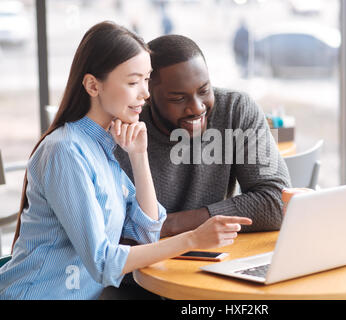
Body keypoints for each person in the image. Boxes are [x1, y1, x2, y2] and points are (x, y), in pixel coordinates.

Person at [0, 21, 251, 300]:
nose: (145, 93)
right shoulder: (66, 151)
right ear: (93, 86)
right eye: (133, 82)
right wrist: (193, 239)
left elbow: (147, 234)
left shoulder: (105, 147)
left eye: (146, 79)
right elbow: (104, 263)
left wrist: (138, 155)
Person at [115, 34, 291, 240]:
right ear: (148, 97)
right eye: (178, 98)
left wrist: (171, 225)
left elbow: (278, 202)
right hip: (142, 266)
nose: (197, 108)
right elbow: (113, 229)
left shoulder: (236, 110)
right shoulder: (122, 130)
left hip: (215, 256)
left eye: (204, 90)